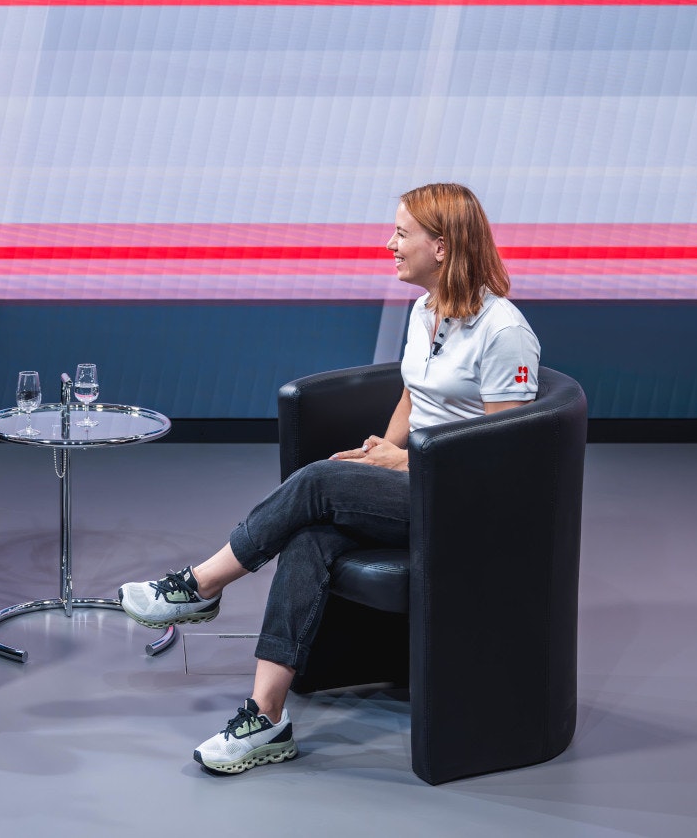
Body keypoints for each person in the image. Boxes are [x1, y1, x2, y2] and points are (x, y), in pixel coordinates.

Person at [118, 183, 540, 775]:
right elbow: (414, 394)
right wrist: (386, 447)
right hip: (419, 481)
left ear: (441, 247)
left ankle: (199, 585)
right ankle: (266, 718)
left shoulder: (504, 331)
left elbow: (506, 457)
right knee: (310, 536)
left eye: (401, 233)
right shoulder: (425, 310)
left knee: (319, 483)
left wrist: (412, 463)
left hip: (465, 503)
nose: (388, 244)